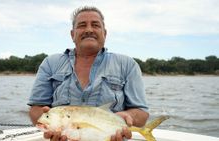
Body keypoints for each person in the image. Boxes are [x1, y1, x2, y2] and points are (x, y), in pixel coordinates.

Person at [28, 6, 149, 141]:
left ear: (105, 33)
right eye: (82, 25)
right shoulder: (50, 63)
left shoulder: (127, 64)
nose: (89, 30)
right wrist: (48, 121)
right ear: (72, 34)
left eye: (95, 25)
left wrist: (129, 116)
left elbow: (142, 114)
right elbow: (35, 109)